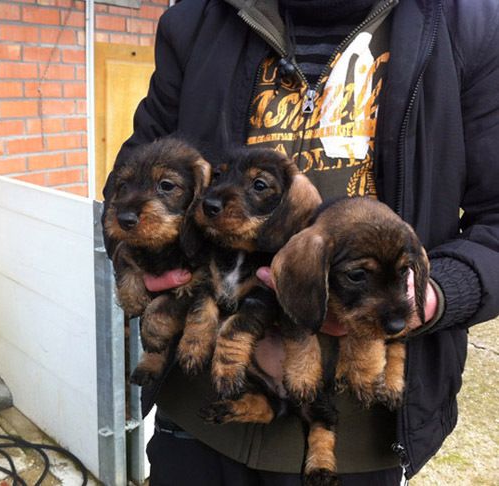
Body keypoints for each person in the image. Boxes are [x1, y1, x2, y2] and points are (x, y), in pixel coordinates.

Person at [103, 0, 499, 484]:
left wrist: (428, 298)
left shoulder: (472, 24)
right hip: (198, 408)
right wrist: (138, 259)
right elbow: (128, 179)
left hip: (357, 430)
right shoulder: (194, 19)